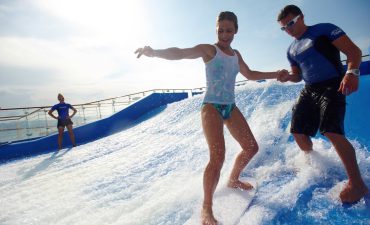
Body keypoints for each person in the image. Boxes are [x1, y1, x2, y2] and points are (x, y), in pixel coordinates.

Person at [135, 11, 288, 225]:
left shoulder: (236, 54)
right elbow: (180, 53)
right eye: (220, 30)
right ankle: (206, 208)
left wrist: (276, 74)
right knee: (217, 156)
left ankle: (233, 179)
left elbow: (250, 74)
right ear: (216, 30)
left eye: (229, 30)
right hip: (212, 107)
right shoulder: (210, 50)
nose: (224, 35)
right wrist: (155, 53)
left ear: (236, 30)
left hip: (230, 106)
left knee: (251, 146)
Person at [276, 5, 368, 203]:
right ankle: (315, 164)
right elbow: (297, 76)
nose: (288, 29)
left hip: (332, 83)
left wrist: (352, 73)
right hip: (310, 88)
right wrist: (287, 77)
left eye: (290, 23)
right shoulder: (291, 50)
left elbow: (354, 51)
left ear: (301, 17)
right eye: (284, 28)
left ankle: (357, 184)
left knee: (331, 131)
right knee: (298, 133)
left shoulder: (324, 29)